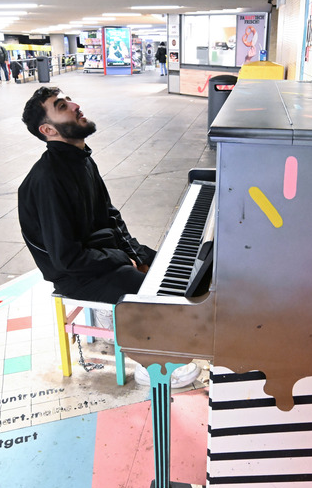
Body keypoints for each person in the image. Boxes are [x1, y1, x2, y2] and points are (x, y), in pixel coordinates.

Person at [17, 86, 200, 387]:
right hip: (77, 274)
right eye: (62, 105)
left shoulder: (81, 160)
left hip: (101, 255)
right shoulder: (48, 180)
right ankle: (151, 362)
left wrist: (137, 255)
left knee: (174, 270)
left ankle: (128, 318)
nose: (76, 105)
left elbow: (110, 216)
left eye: (70, 99)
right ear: (48, 129)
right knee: (156, 297)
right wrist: (123, 259)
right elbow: (67, 259)